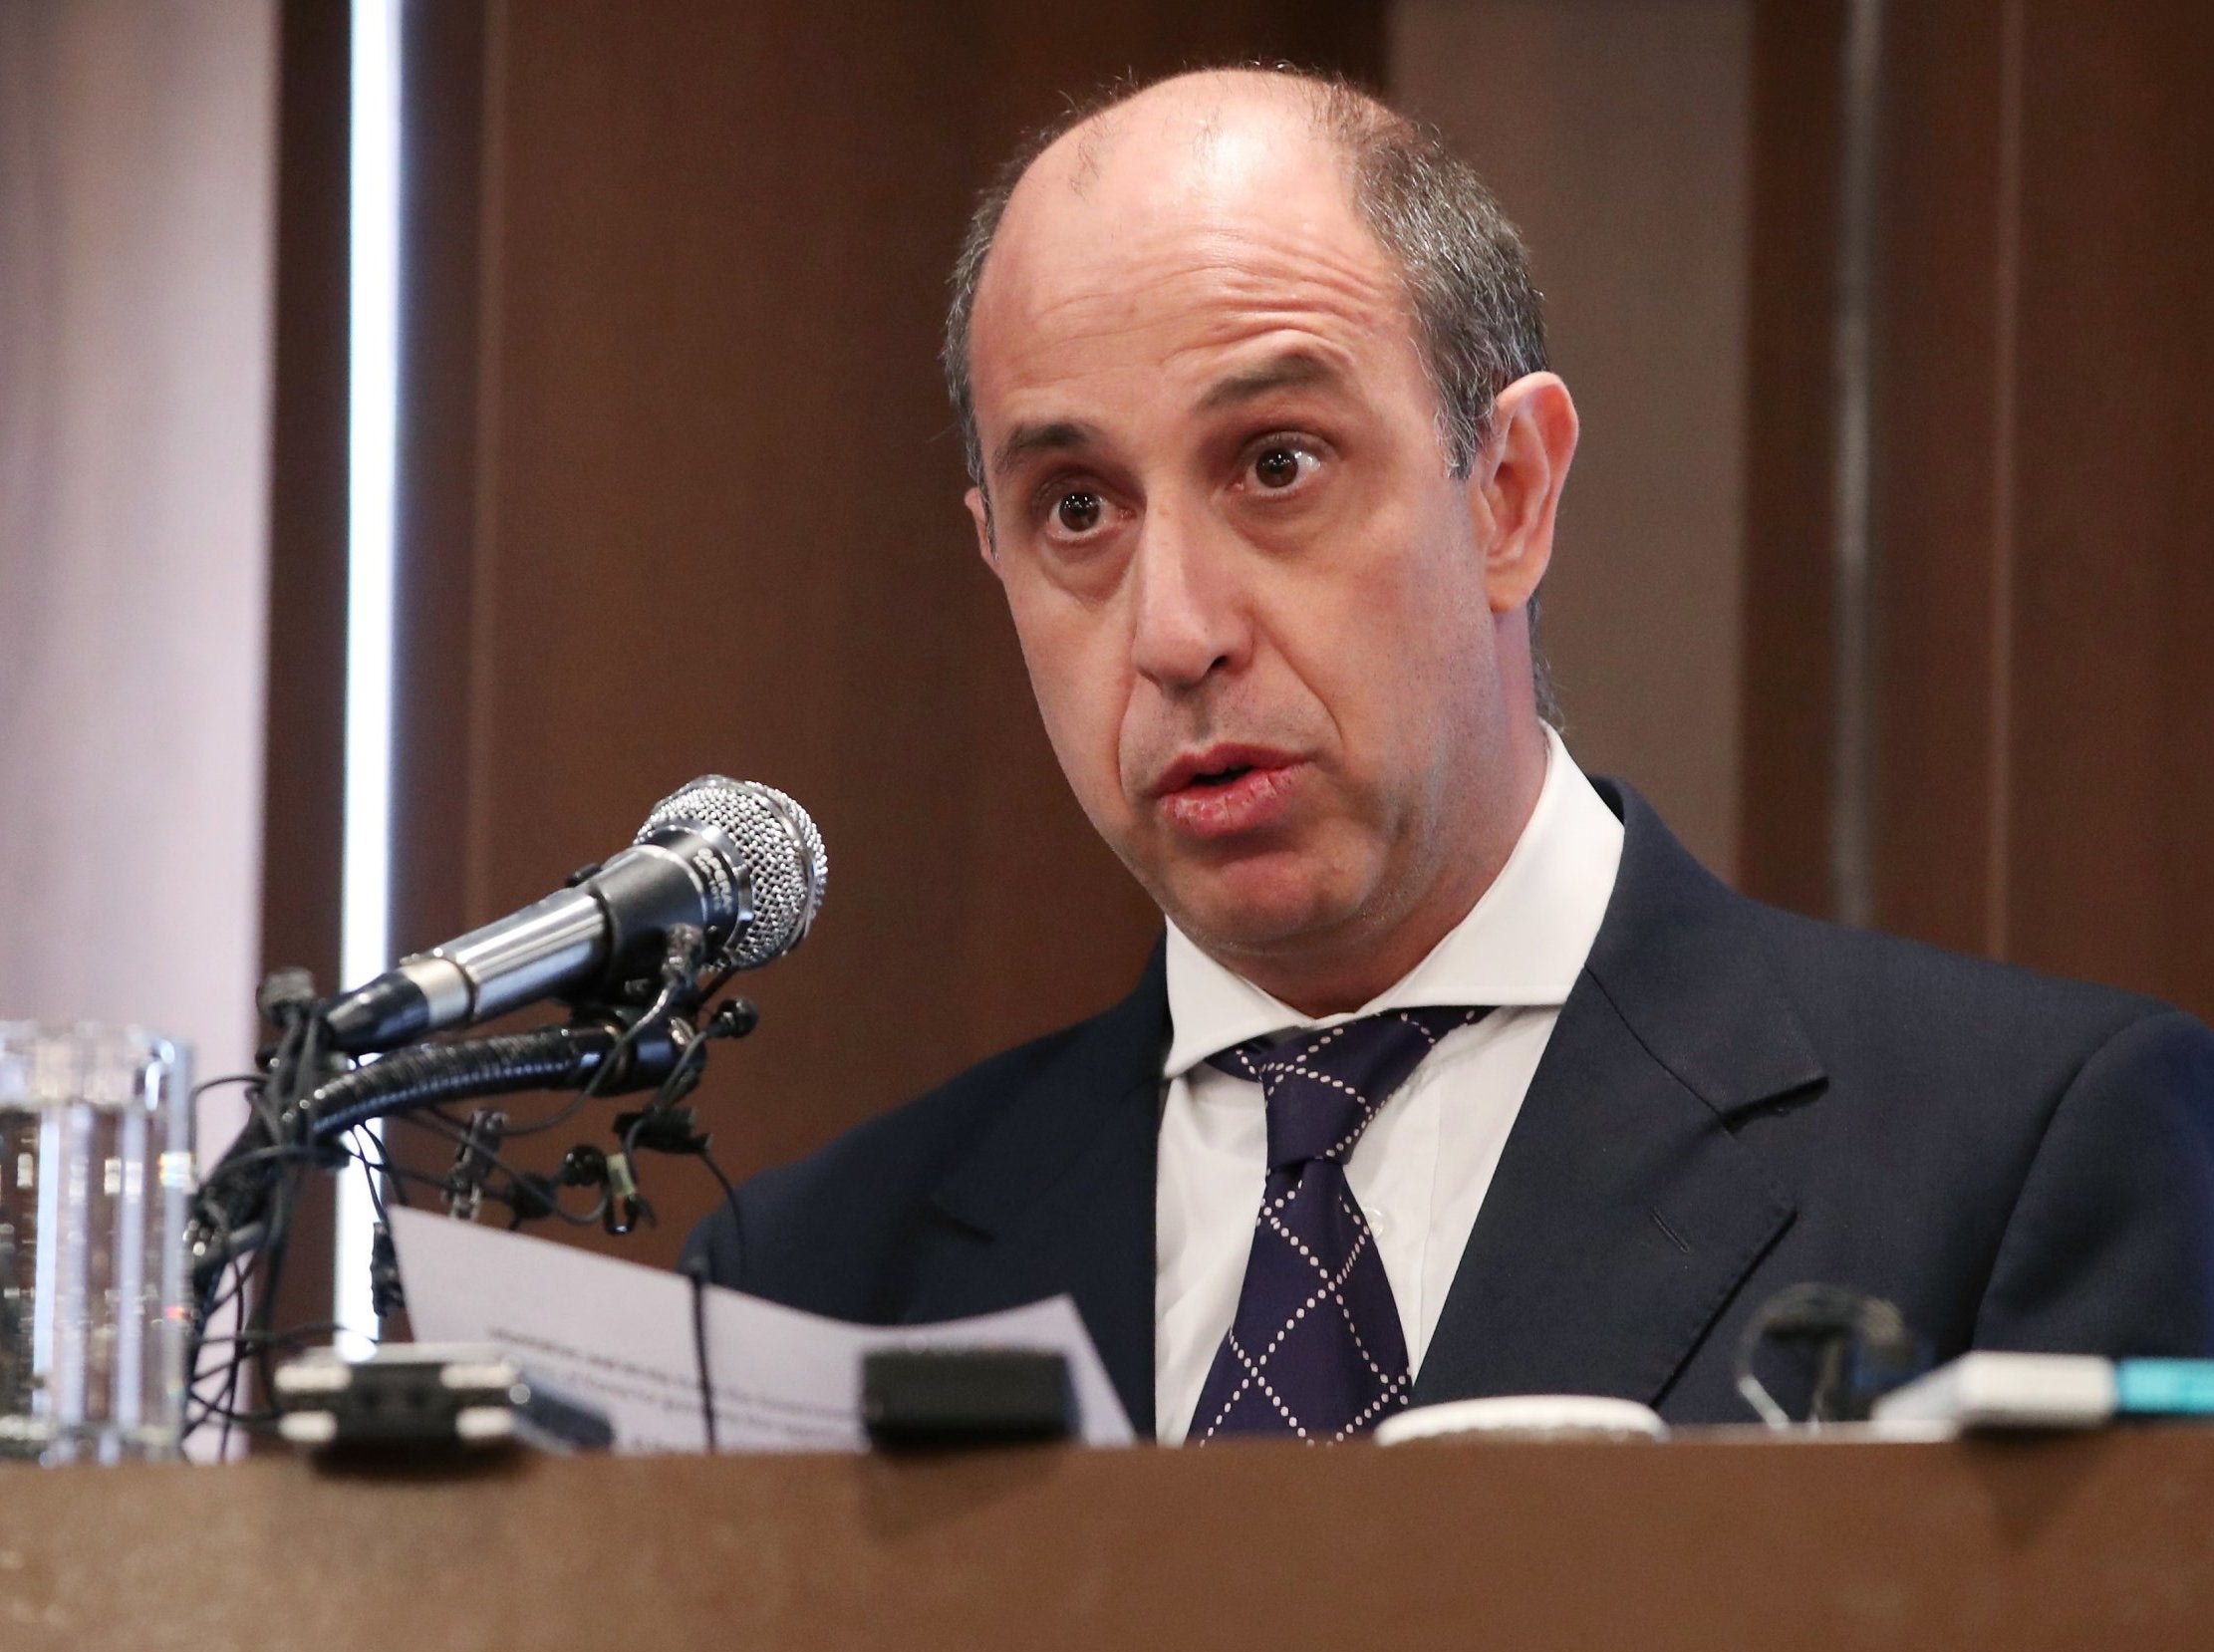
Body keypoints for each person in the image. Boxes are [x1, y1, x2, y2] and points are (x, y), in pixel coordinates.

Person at [688, 67, 2214, 1440]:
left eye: (1275, 465)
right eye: (1075, 509)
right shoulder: (816, 1280)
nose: (1175, 632)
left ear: (1508, 492)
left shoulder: (2022, 1154)